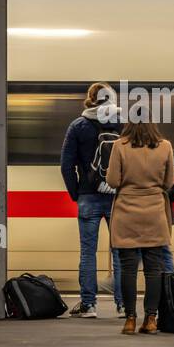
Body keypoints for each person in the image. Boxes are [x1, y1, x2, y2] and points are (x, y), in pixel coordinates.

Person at [60, 82, 123, 318]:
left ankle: (89, 305)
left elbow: (66, 165)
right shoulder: (122, 123)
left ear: (91, 98)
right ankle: (123, 305)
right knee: (120, 252)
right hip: (117, 196)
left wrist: (77, 192)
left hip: (88, 196)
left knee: (88, 252)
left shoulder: (78, 125)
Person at [107, 120, 174, 335]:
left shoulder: (120, 146)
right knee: (153, 269)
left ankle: (129, 320)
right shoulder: (165, 146)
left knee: (128, 268)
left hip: (127, 212)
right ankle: (151, 319)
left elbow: (112, 181)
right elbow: (168, 182)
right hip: (154, 212)